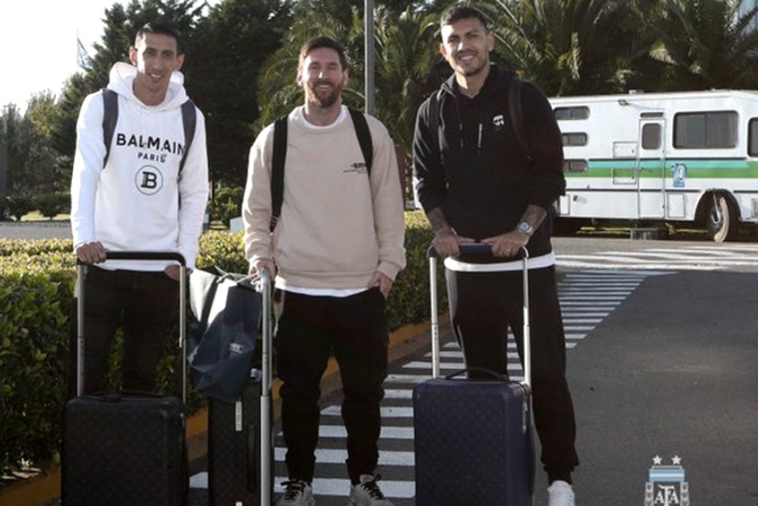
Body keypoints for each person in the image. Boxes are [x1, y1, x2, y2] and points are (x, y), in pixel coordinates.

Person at [412, 5, 578, 506]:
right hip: (467, 267)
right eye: (454, 39)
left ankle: (560, 479)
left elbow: (550, 176)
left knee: (545, 375)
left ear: (489, 41)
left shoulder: (524, 98)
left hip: (527, 266)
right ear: (443, 50)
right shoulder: (432, 111)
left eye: (472, 36)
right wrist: (443, 231)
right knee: (484, 380)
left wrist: (522, 231)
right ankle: (496, 476)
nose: (464, 46)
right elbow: (426, 183)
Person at [242, 36, 406, 506]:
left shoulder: (369, 133)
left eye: (331, 67)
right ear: (300, 75)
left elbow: (389, 207)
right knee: (298, 397)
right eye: (313, 67)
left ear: (345, 76)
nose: (322, 75)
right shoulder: (275, 138)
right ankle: (300, 484)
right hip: (297, 293)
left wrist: (388, 267)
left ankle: (363, 482)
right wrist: (260, 257)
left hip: (361, 292)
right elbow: (255, 211)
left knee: (365, 397)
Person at [70, 20, 209, 394]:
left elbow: (195, 192)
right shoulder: (102, 104)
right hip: (102, 265)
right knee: (84, 380)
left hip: (160, 272)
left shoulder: (190, 117)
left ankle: (140, 436)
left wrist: (185, 257)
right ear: (133, 55)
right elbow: (85, 173)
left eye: (166, 55)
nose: (157, 64)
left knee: (142, 382)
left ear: (179, 61)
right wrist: (83, 237)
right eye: (149, 53)